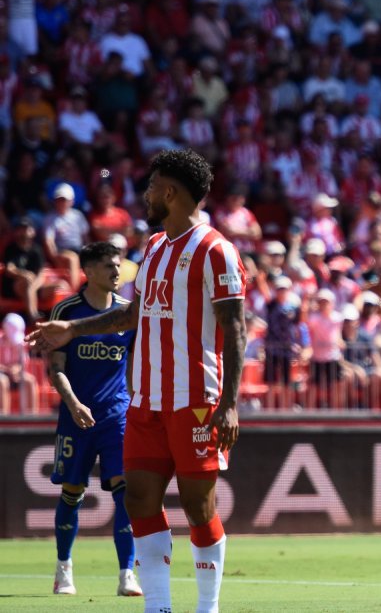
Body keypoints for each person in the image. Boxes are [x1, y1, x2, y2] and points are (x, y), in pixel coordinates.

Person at [28, 150, 247, 613]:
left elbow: (235, 328)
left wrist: (229, 403)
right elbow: (133, 315)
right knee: (140, 501)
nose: (145, 195)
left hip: (196, 399)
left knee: (198, 507)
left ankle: (207, 607)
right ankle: (158, 606)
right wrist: (72, 329)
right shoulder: (153, 248)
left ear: (170, 192)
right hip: (145, 401)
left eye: (151, 187)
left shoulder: (215, 250)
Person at [47, 241, 142, 597]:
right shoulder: (67, 310)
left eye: (118, 265)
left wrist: (135, 404)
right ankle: (63, 569)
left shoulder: (127, 313)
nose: (117, 271)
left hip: (117, 416)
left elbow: (132, 365)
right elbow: (55, 367)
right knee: (72, 492)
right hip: (76, 416)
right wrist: (73, 404)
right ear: (88, 271)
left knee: (126, 493)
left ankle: (126, 574)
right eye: (108, 266)